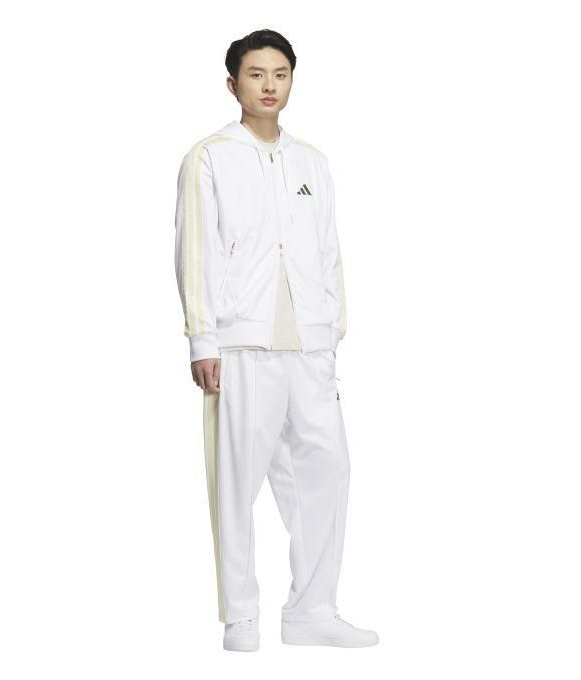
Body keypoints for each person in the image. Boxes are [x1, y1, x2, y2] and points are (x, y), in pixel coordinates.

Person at [174, 29, 379, 652]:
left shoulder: (312, 161)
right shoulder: (210, 156)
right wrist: (202, 339)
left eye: (280, 74)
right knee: (237, 480)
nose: (269, 85)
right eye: (256, 74)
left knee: (328, 471)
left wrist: (332, 331)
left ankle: (313, 609)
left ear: (292, 81)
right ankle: (240, 616)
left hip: (310, 348)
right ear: (233, 82)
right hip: (240, 345)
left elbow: (329, 251)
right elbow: (196, 251)